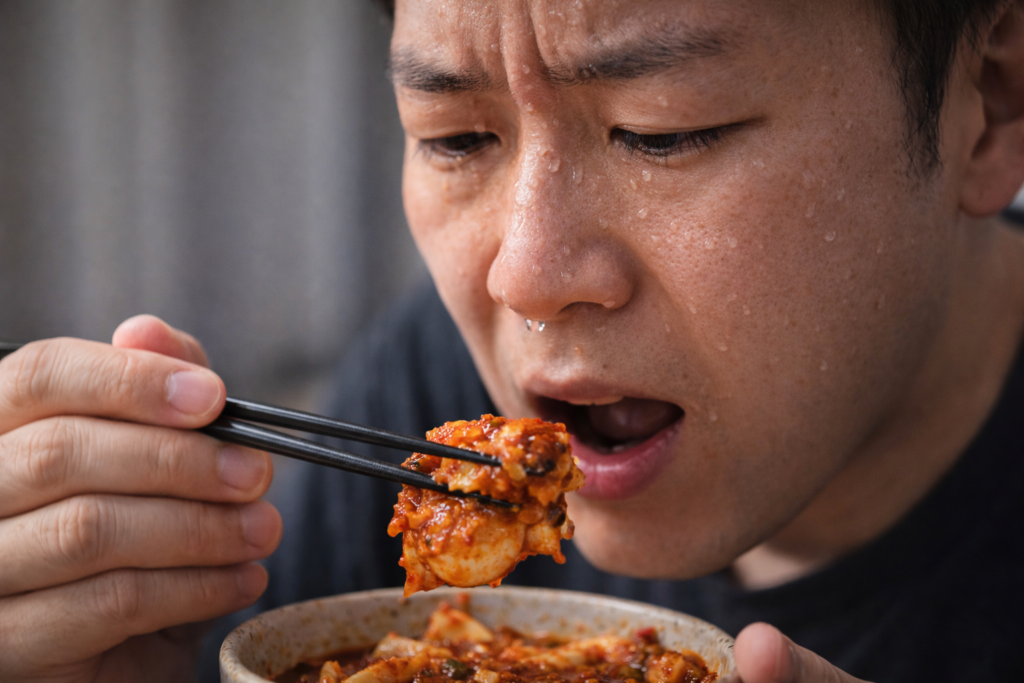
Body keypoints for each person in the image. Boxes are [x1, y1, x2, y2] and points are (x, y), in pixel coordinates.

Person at [2, 0, 1023, 681]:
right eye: (456, 138)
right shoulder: (429, 390)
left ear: (987, 105)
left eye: (661, 130)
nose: (524, 277)